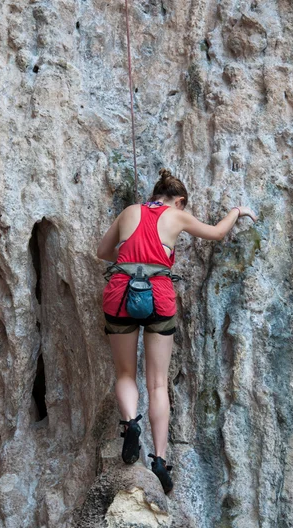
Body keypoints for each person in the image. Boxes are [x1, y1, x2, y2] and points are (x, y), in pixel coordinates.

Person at [97, 169, 257, 493]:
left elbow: (102, 252)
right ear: (179, 201)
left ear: (154, 194)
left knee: (126, 373)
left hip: (120, 292)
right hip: (158, 294)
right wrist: (236, 212)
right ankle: (159, 460)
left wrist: (130, 259)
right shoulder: (176, 217)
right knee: (157, 384)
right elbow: (215, 232)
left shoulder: (129, 212)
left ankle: (130, 423)